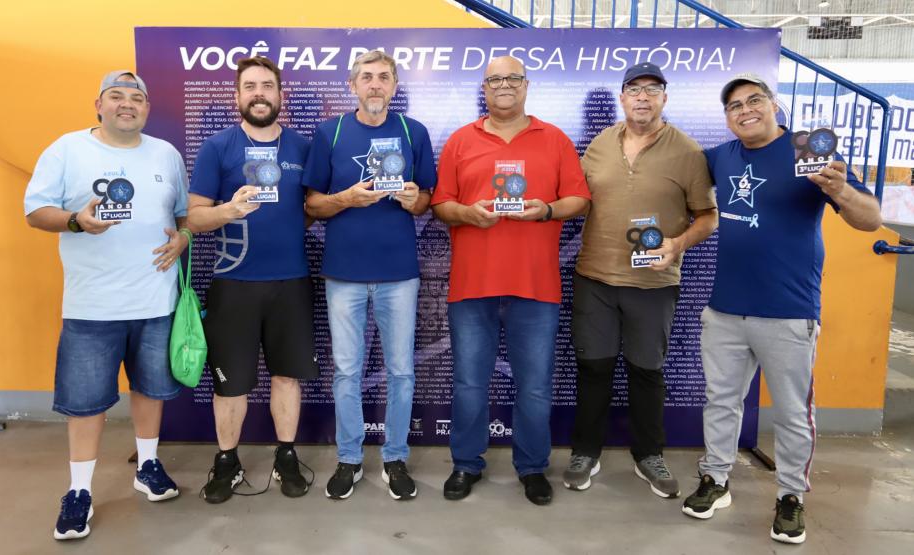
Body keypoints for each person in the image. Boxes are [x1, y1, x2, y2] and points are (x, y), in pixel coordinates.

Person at [681, 73, 882, 545]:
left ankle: (791, 497)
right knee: (721, 402)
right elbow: (675, 173)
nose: (745, 110)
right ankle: (716, 479)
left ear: (774, 105)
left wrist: (840, 190)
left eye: (754, 100)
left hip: (789, 311)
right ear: (727, 118)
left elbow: (869, 219)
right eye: (734, 106)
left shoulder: (808, 151)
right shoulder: (720, 158)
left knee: (793, 412)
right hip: (725, 311)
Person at [24, 70, 188, 540]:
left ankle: (148, 467)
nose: (126, 104)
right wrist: (75, 221)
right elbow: (36, 212)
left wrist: (183, 238)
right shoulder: (67, 149)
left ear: (146, 108)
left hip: (156, 300)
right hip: (92, 306)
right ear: (98, 104)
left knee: (150, 390)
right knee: (87, 405)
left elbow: (180, 215)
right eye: (116, 97)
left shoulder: (166, 154)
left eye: (135, 98)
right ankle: (79, 492)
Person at [431, 55, 591, 506]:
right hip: (472, 284)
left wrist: (546, 210)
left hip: (535, 286)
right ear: (484, 87)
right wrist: (466, 214)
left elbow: (579, 197)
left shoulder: (554, 139)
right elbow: (441, 203)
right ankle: (466, 463)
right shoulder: (462, 140)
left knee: (536, 385)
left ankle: (533, 467)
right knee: (468, 383)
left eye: (512, 78)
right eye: (495, 79)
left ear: (526, 85)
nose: (504, 85)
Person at [563, 62, 718, 499]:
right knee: (594, 368)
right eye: (635, 89)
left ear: (664, 98)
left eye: (653, 90)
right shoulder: (598, 145)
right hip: (595, 277)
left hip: (654, 284)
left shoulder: (687, 152)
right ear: (623, 97)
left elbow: (707, 216)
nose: (643, 97)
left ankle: (648, 454)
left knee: (646, 371)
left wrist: (678, 243)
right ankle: (585, 452)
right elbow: (578, 200)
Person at [303, 50, 436, 501]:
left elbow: (427, 201)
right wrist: (346, 199)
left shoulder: (412, 132)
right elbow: (312, 205)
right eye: (367, 77)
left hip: (399, 274)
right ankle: (350, 459)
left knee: (400, 371)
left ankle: (395, 458)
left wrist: (414, 198)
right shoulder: (331, 132)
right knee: (346, 371)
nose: (375, 85)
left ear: (395, 86)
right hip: (344, 274)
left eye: (383, 77)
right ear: (352, 85)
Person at [187, 56, 318, 503]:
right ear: (237, 97)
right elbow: (194, 217)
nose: (259, 93)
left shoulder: (303, 147)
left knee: (287, 377)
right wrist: (229, 210)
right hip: (233, 285)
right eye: (250, 86)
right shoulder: (217, 147)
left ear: (280, 95)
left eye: (267, 85)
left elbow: (315, 208)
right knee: (231, 383)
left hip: (292, 283)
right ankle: (228, 462)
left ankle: (285, 457)